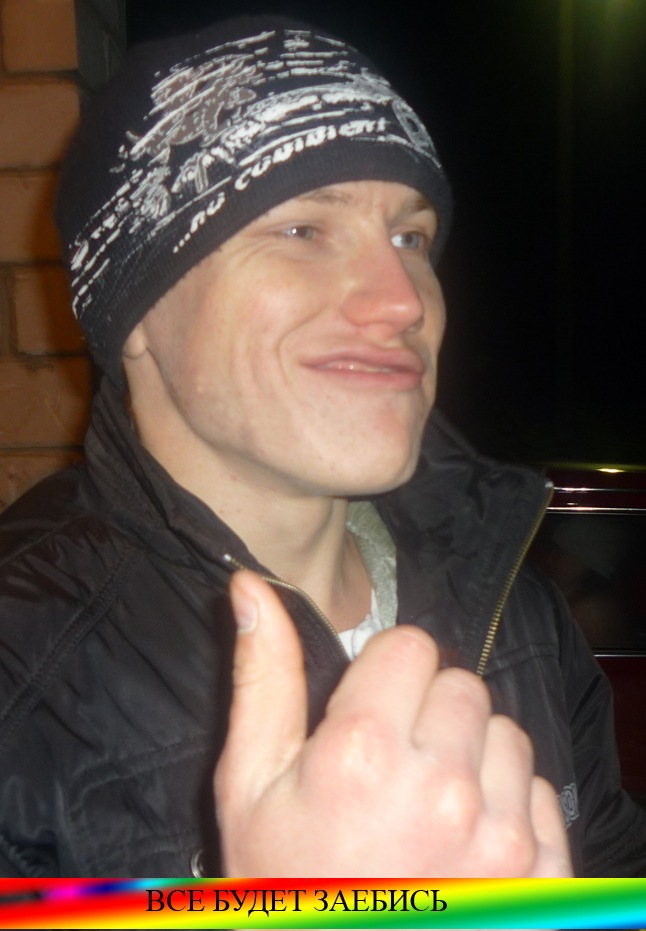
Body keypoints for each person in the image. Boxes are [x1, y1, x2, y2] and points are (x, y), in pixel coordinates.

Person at [0, 15, 643, 879]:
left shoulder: (517, 612)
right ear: (136, 312)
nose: (404, 300)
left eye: (411, 238)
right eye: (303, 231)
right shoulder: (24, 676)